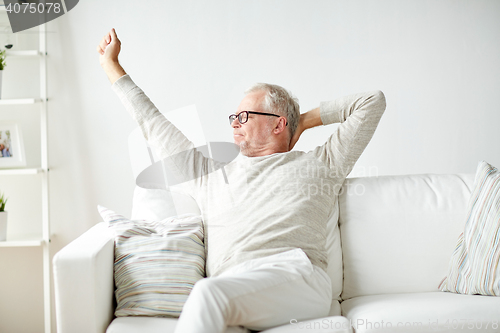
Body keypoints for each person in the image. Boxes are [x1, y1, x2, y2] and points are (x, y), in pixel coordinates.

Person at [97, 28, 386, 333]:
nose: (235, 123)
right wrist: (111, 66)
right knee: (212, 296)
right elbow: (152, 125)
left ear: (278, 123)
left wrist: (303, 121)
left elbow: (371, 102)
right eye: (233, 117)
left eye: (245, 116)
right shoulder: (210, 173)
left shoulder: (320, 164)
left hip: (296, 277)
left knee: (207, 294)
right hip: (234, 287)